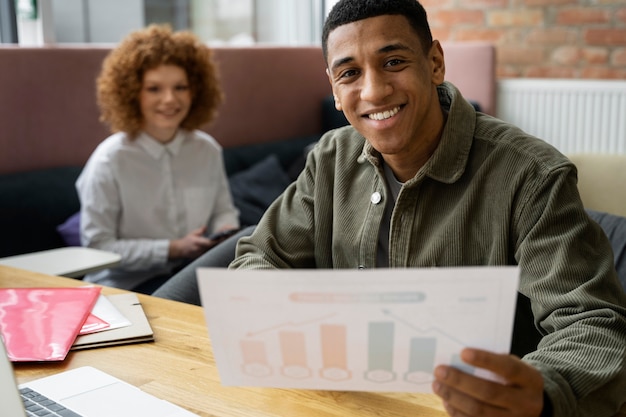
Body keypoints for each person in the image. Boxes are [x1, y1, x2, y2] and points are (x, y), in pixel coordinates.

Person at [227, 1, 626, 416]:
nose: (374, 91)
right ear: (333, 87)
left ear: (435, 63)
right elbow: (259, 256)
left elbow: (593, 322)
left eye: (394, 61)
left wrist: (544, 391)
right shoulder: (329, 157)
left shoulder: (532, 175)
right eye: (350, 73)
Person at [76, 24, 239, 293]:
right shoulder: (110, 160)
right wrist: (173, 248)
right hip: (126, 287)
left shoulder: (207, 150)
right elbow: (98, 247)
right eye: (154, 88)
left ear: (195, 91)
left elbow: (223, 211)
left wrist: (223, 232)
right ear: (131, 93)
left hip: (191, 274)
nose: (169, 99)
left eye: (180, 87)